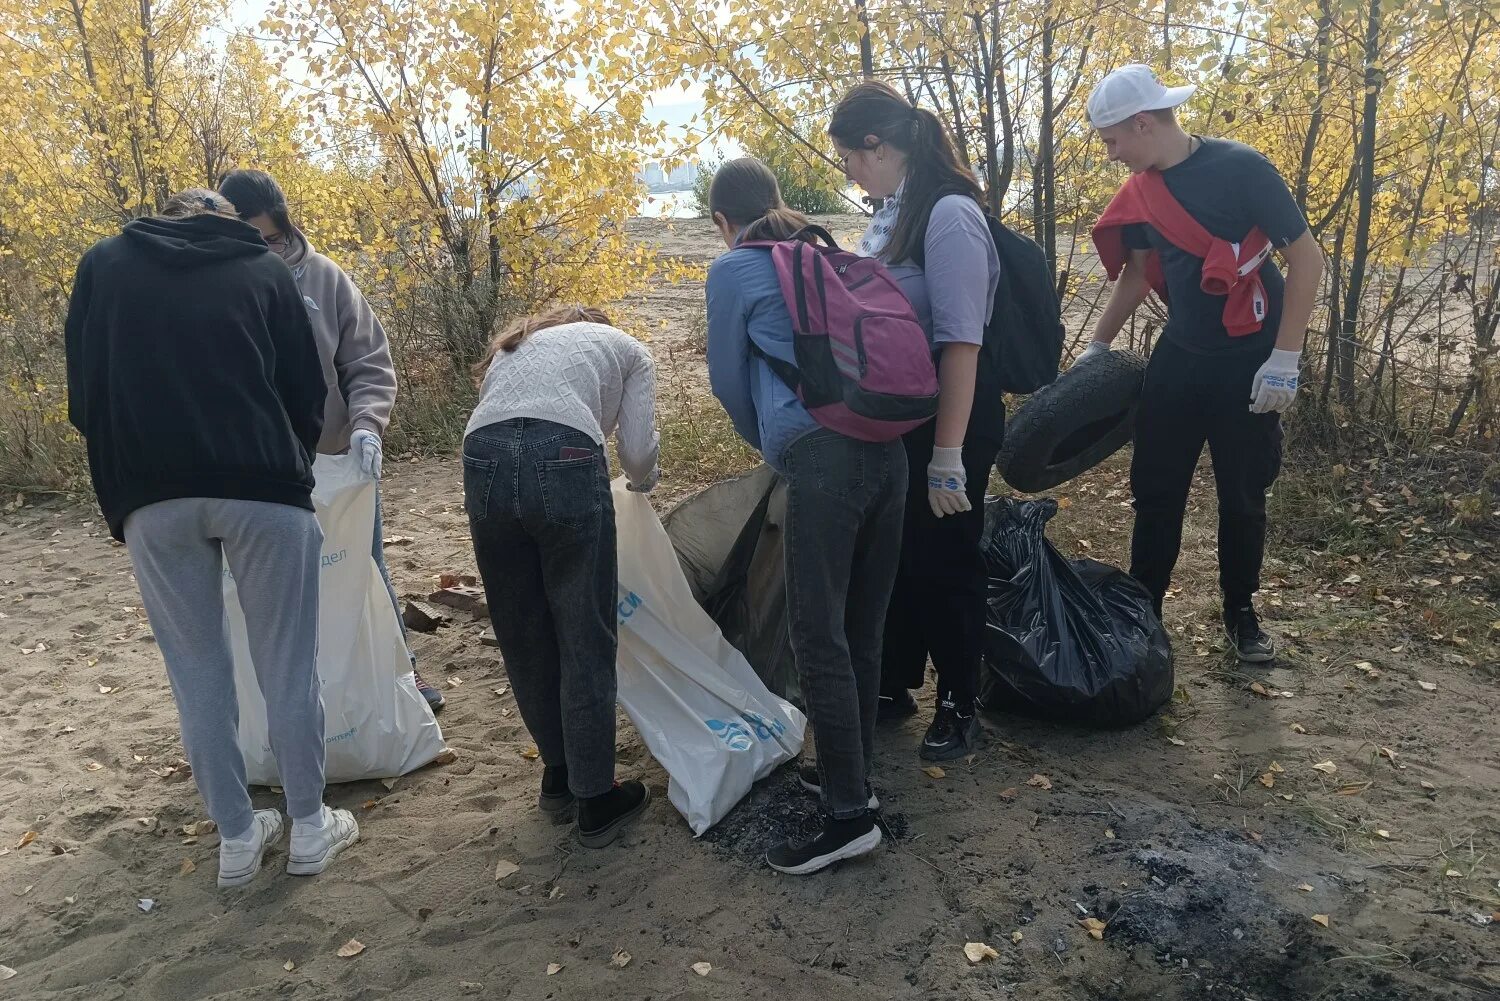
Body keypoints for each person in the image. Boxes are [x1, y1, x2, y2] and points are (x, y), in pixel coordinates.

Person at [64, 189, 359, 887]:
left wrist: (132, 461)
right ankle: (311, 827)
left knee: (195, 671)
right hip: (261, 484)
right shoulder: (261, 268)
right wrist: (284, 452)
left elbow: (84, 394)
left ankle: (235, 838)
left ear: (162, 216)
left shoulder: (101, 265)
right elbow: (306, 389)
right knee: (286, 661)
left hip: (151, 494)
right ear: (224, 222)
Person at [1078, 64, 1324, 662]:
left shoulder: (1242, 168)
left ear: (1141, 123)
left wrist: (1285, 357)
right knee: (1156, 492)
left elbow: (1308, 259)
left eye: (1112, 141)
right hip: (1179, 362)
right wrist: (1097, 347)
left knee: (1243, 495)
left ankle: (1241, 613)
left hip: (1250, 362)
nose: (1111, 155)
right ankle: (1146, 611)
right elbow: (1136, 275)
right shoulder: (1139, 191)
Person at [705, 158, 907, 874]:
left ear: (724, 221)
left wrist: (772, 441)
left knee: (815, 632)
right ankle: (851, 778)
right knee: (861, 627)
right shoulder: (828, 253)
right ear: (778, 200)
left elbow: (728, 378)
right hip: (892, 452)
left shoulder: (734, 269)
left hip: (825, 460)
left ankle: (848, 817)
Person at [216, 169, 444, 712]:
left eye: (271, 238)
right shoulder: (215, 288)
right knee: (273, 589)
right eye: (251, 240)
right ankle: (290, 703)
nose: (264, 251)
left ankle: (398, 678)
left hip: (337, 462)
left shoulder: (324, 278)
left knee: (363, 569)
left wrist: (367, 425)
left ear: (286, 228)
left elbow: (366, 361)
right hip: (258, 471)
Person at [828, 82, 1002, 761]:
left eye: (848, 158)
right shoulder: (894, 211)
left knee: (946, 560)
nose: (849, 173)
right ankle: (894, 682)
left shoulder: (950, 213)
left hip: (951, 415)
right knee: (897, 554)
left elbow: (962, 340)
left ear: (875, 146)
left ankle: (961, 702)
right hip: (902, 414)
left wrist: (948, 455)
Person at [464, 305, 660, 847]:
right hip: (567, 453)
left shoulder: (514, 345)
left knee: (522, 630)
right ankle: (596, 797)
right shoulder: (626, 347)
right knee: (584, 633)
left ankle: (557, 775)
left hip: (481, 455)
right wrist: (642, 487)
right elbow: (639, 453)